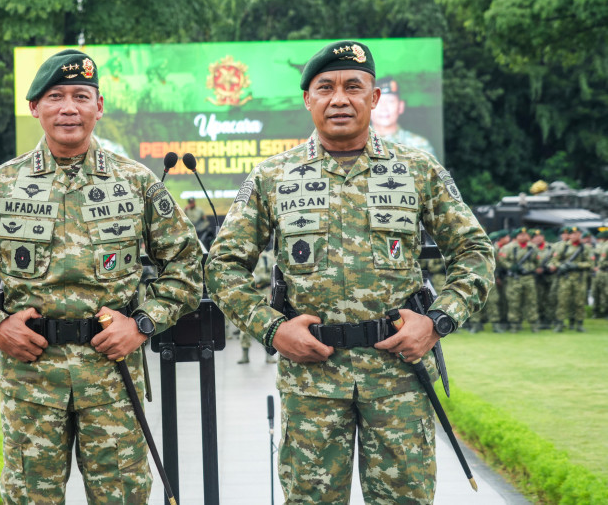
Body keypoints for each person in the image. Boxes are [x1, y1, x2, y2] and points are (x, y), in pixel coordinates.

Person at [204, 40, 495, 503]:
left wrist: (437, 321)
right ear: (308, 99)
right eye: (325, 87)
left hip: (398, 375)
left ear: (374, 98)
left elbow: (475, 251)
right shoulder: (272, 176)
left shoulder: (417, 170)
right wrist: (273, 329)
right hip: (312, 382)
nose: (339, 98)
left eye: (353, 86)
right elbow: (221, 265)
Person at [0, 49, 203, 503]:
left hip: (112, 379)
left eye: (80, 96)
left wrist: (143, 323)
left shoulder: (136, 183)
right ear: (35, 107)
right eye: (55, 96)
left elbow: (187, 264)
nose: (68, 108)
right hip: (31, 380)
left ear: (99, 106)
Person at [371, 76, 437, 157]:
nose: (384, 108)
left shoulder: (419, 146)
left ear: (401, 106)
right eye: (378, 101)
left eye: (390, 101)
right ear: (369, 106)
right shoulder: (356, 144)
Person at [238, 245, 278, 365]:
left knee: (266, 323)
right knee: (246, 325)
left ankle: (268, 355)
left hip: (265, 292)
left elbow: (272, 274)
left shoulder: (268, 257)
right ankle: (245, 354)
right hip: (251, 293)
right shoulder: (247, 257)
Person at [549, 226, 591, 332]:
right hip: (565, 278)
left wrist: (577, 265)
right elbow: (554, 260)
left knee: (579, 302)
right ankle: (560, 323)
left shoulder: (585, 248)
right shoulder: (563, 247)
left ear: (580, 235)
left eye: (577, 234)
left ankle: (579, 324)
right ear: (569, 235)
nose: (574, 236)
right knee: (562, 301)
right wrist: (561, 266)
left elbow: (590, 263)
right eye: (572, 234)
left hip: (579, 278)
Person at [499, 227, 539, 332]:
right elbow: (502, 259)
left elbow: (537, 261)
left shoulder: (533, 248)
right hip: (515, 279)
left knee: (532, 301)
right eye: (521, 235)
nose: (524, 237)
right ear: (516, 237)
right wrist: (511, 266)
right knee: (514, 302)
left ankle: (534, 324)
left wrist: (531, 269)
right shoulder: (508, 248)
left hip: (529, 277)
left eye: (525, 235)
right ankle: (514, 325)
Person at [532, 228, 556, 329]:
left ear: (543, 237)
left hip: (549, 276)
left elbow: (555, 259)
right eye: (535, 237)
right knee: (538, 299)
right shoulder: (531, 248)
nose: (537, 238)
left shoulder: (551, 247)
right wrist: (535, 268)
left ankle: (549, 320)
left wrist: (549, 266)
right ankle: (540, 319)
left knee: (550, 299)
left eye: (539, 236)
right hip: (536, 278)